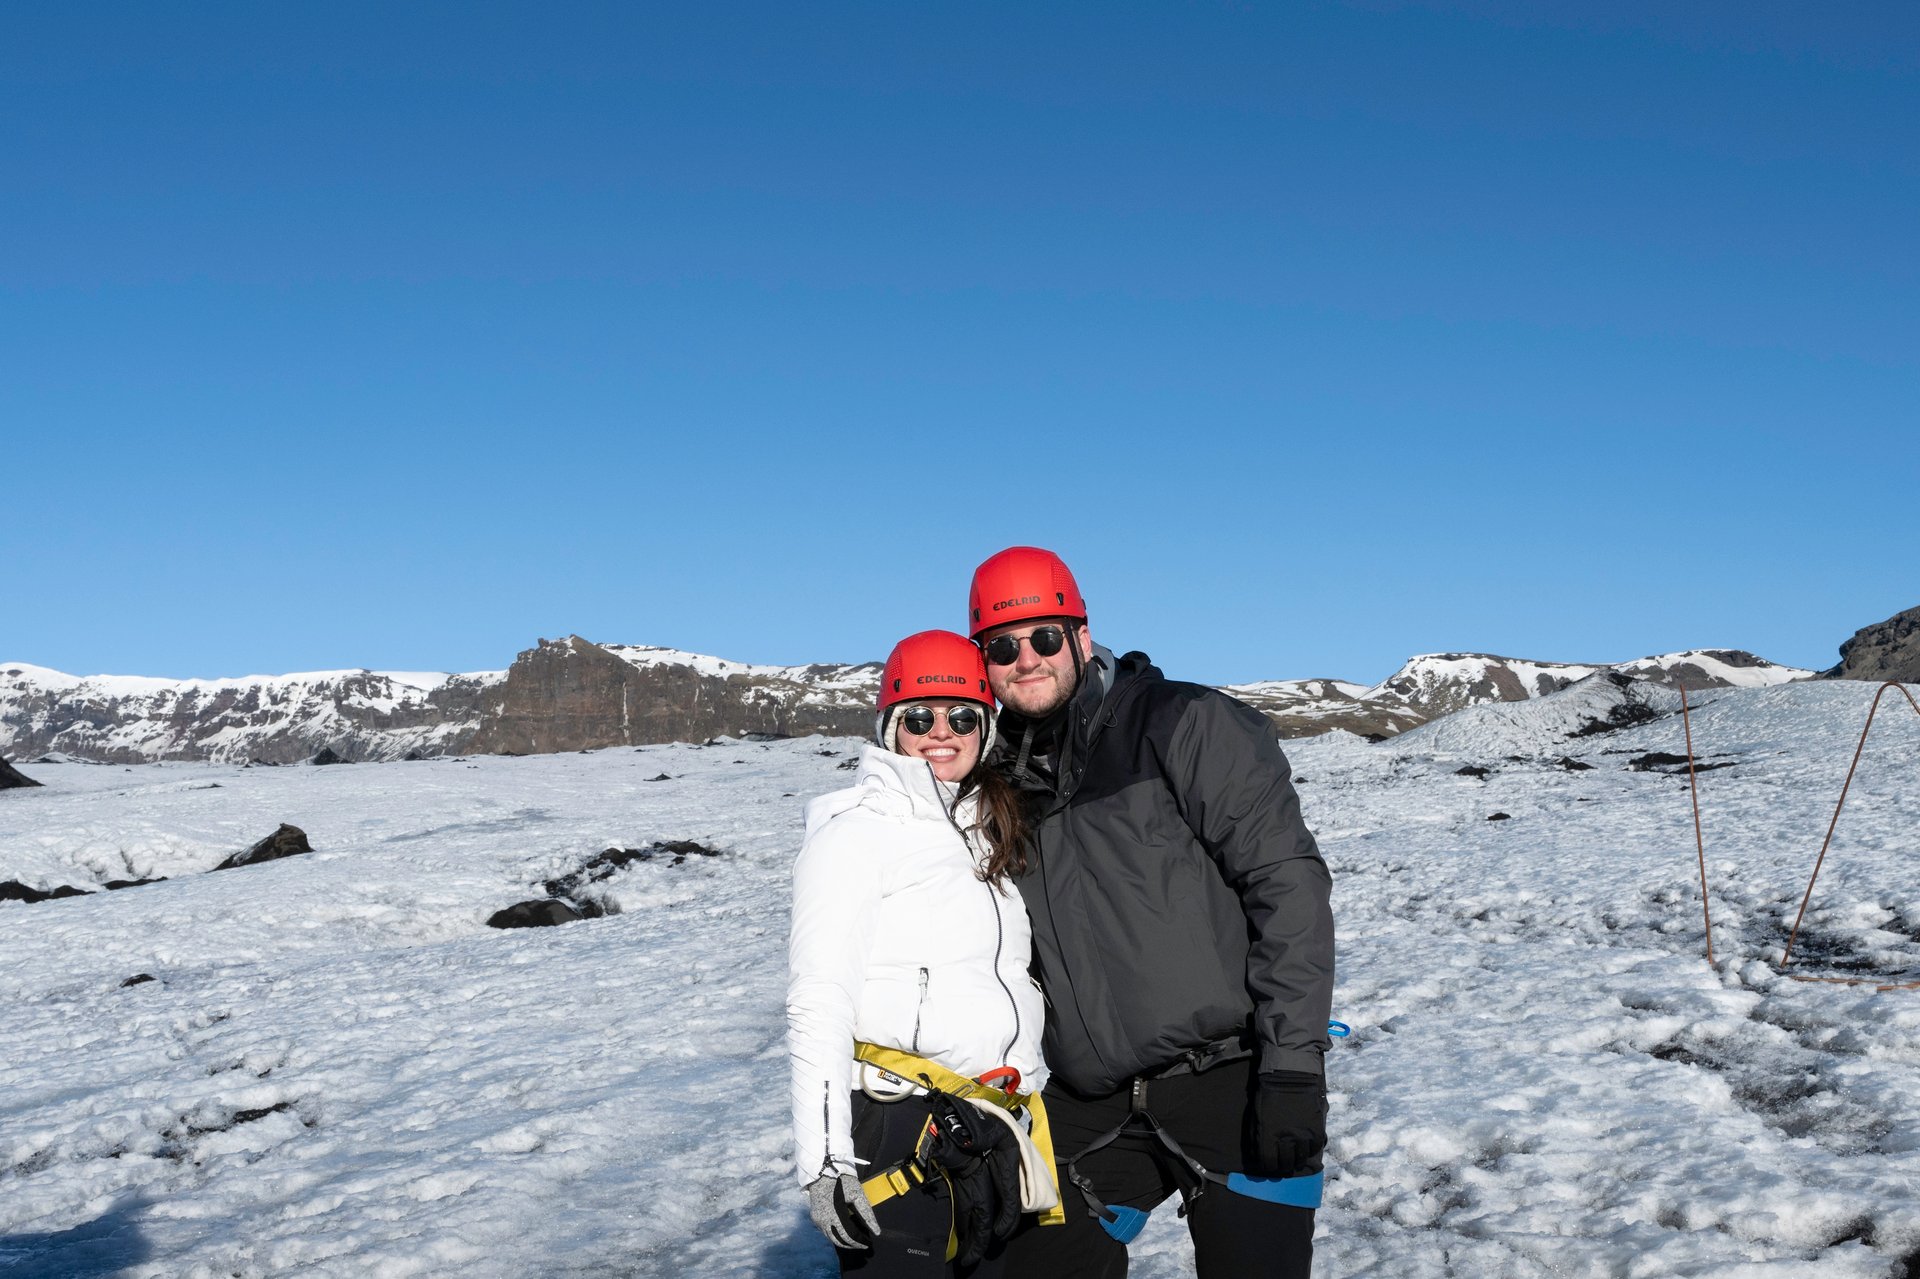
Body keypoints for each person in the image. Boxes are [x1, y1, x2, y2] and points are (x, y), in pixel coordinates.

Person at [968, 547, 1335, 1279]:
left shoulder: (1183, 723)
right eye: (1003, 646)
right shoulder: (994, 776)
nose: (1027, 659)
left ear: (1080, 633)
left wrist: (1293, 1067)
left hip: (1231, 1076)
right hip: (1090, 1097)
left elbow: (1286, 883)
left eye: (1044, 636)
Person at [789, 630, 1063, 1277]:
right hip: (899, 1130)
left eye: (963, 715)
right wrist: (825, 1162)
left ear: (987, 727)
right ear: (890, 727)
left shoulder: (987, 830)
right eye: (919, 715)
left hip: (990, 1123)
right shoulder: (856, 835)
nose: (941, 730)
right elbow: (818, 1000)